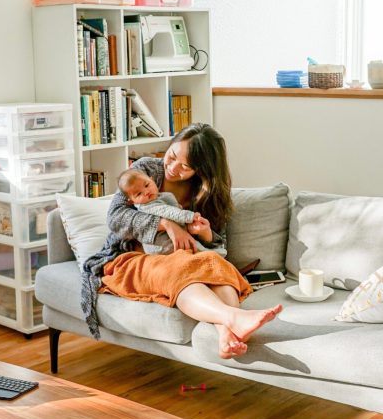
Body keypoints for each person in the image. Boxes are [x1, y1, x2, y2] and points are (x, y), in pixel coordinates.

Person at [81, 123, 282, 359]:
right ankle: (232, 318)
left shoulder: (210, 192)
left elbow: (218, 244)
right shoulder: (145, 170)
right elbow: (115, 217)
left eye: (185, 167)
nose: (173, 168)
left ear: (202, 171)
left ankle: (226, 332)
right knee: (182, 271)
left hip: (187, 257)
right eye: (172, 155)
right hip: (134, 258)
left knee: (215, 265)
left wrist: (204, 233)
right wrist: (167, 224)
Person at [116, 167, 210, 254]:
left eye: (147, 185)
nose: (146, 192)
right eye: (139, 193)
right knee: (198, 250)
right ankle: (214, 253)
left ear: (152, 180)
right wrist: (189, 216)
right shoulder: (147, 206)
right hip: (161, 244)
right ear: (132, 201)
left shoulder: (162, 196)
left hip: (175, 238)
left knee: (195, 248)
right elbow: (167, 211)